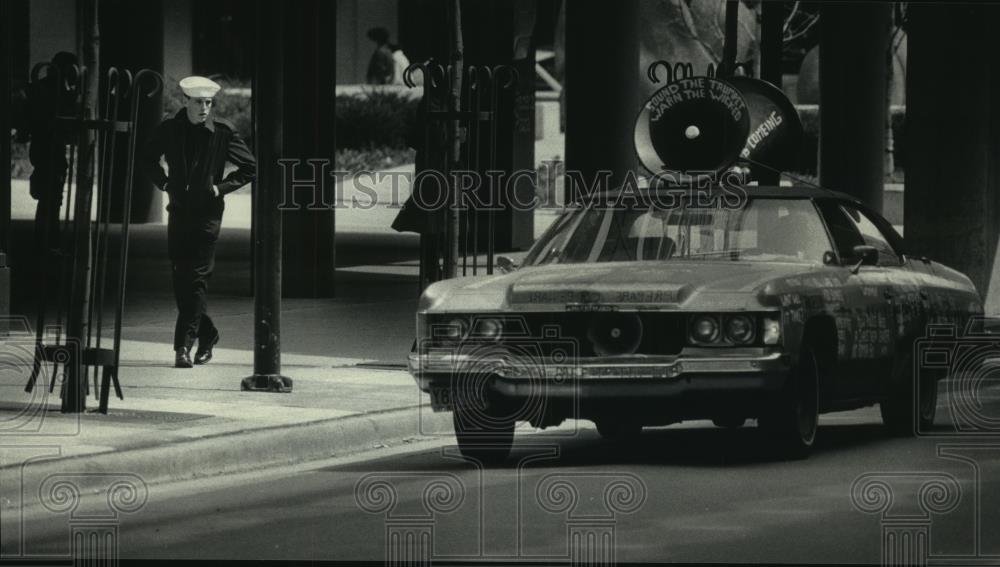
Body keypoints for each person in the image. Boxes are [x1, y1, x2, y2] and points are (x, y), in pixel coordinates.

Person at [140, 76, 256, 368]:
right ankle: (209, 334)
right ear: (186, 102)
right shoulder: (169, 129)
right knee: (182, 279)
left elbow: (250, 167)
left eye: (208, 103)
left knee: (196, 280)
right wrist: (164, 183)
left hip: (207, 216)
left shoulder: (222, 132)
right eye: (199, 102)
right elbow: (147, 158)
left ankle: (182, 347)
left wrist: (220, 188)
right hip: (178, 212)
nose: (205, 108)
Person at [18, 52, 79, 249]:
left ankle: (45, 237)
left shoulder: (41, 87)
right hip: (49, 143)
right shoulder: (54, 90)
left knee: (49, 194)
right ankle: (48, 238)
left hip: (43, 143)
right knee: (51, 194)